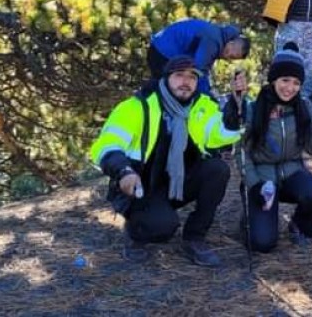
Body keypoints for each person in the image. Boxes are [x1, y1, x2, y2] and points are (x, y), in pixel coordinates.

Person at [90, 56, 241, 267]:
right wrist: (123, 171)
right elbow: (106, 145)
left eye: (192, 77)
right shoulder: (137, 106)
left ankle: (194, 238)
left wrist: (235, 106)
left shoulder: (202, 106)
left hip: (178, 183)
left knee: (217, 169)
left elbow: (222, 134)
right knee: (162, 227)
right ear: (166, 78)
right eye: (179, 75)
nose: (185, 82)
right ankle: (136, 234)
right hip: (140, 186)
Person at [235, 43, 312, 252]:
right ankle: (251, 216)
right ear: (274, 79)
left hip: (291, 172)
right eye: (285, 80)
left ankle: (298, 223)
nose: (290, 87)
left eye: (296, 82)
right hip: (262, 177)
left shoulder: (303, 107)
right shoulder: (254, 108)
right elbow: (242, 153)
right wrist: (254, 184)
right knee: (262, 243)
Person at [148, 19, 249, 95]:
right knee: (165, 93)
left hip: (160, 48)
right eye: (229, 54)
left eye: (231, 58)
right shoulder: (213, 41)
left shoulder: (217, 35)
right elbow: (198, 70)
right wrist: (207, 97)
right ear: (230, 43)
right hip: (162, 53)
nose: (227, 57)